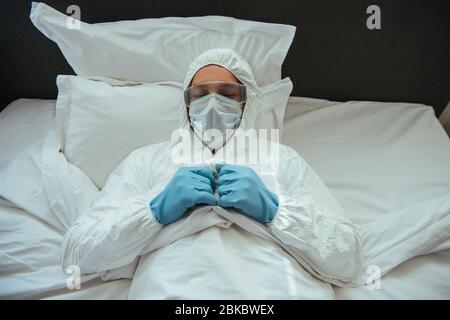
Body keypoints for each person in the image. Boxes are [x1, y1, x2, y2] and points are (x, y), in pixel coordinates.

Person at [61, 48, 362, 298]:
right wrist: (154, 211)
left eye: (227, 92)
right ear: (186, 102)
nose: (213, 102)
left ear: (246, 100)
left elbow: (347, 259)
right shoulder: (147, 160)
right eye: (201, 93)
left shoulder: (281, 159)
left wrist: (276, 210)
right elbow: (77, 254)